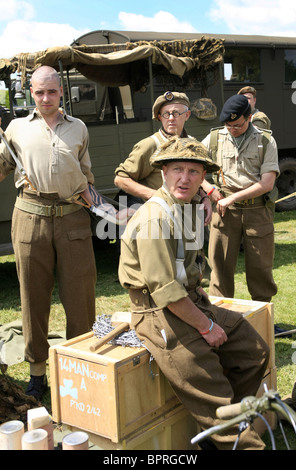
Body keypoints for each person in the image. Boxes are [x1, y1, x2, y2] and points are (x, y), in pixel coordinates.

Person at [118, 136, 270, 450]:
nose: (184, 178)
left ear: (203, 178)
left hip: (190, 301)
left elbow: (186, 270)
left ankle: (223, 426)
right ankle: (231, 432)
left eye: (193, 171)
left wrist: (205, 313)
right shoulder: (155, 218)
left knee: (254, 351)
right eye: (177, 169)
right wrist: (207, 326)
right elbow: (166, 292)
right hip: (159, 313)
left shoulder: (185, 208)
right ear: (162, 171)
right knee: (214, 392)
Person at [0, 66, 97, 400]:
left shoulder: (79, 128)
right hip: (30, 218)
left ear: (61, 92)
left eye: (51, 92)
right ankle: (37, 374)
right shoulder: (14, 129)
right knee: (33, 298)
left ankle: (81, 368)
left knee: (81, 298)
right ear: (31, 92)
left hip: (73, 219)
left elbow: (86, 177)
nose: (45, 99)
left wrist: (107, 210)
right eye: (39, 93)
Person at [201, 94, 279, 302]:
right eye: (228, 124)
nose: (231, 129)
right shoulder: (215, 138)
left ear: (249, 118)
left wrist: (232, 199)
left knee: (260, 268)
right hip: (224, 210)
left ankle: (263, 319)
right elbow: (194, 166)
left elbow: (267, 184)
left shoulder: (265, 141)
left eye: (237, 125)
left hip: (257, 210)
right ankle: (221, 319)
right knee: (220, 268)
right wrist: (209, 189)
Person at [114, 91, 212, 225]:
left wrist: (204, 197)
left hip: (188, 218)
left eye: (176, 113)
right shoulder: (150, 145)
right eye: (166, 114)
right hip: (158, 220)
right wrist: (156, 197)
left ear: (187, 115)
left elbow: (194, 177)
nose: (171, 118)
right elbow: (120, 179)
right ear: (160, 117)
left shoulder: (193, 144)